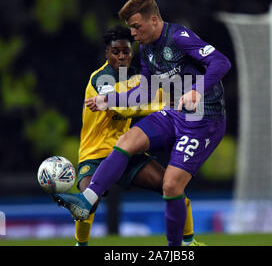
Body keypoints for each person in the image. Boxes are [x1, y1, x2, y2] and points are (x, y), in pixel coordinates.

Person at [54, 0, 231, 246]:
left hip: (203, 120)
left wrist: (197, 90)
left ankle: (177, 249)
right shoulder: (147, 49)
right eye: (130, 28)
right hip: (176, 113)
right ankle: (87, 200)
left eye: (136, 27)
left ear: (154, 20)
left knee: (171, 186)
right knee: (128, 139)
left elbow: (221, 62)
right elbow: (146, 91)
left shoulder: (179, 37)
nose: (133, 34)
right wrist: (110, 100)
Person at [70, 24, 201, 246]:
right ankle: (80, 245)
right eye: (116, 52)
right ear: (107, 54)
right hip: (96, 154)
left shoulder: (138, 77)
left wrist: (185, 92)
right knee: (87, 203)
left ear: (132, 52)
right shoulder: (102, 79)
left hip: (126, 151)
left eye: (126, 51)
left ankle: (190, 243)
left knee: (173, 187)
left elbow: (157, 91)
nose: (121, 57)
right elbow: (124, 107)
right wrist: (162, 103)